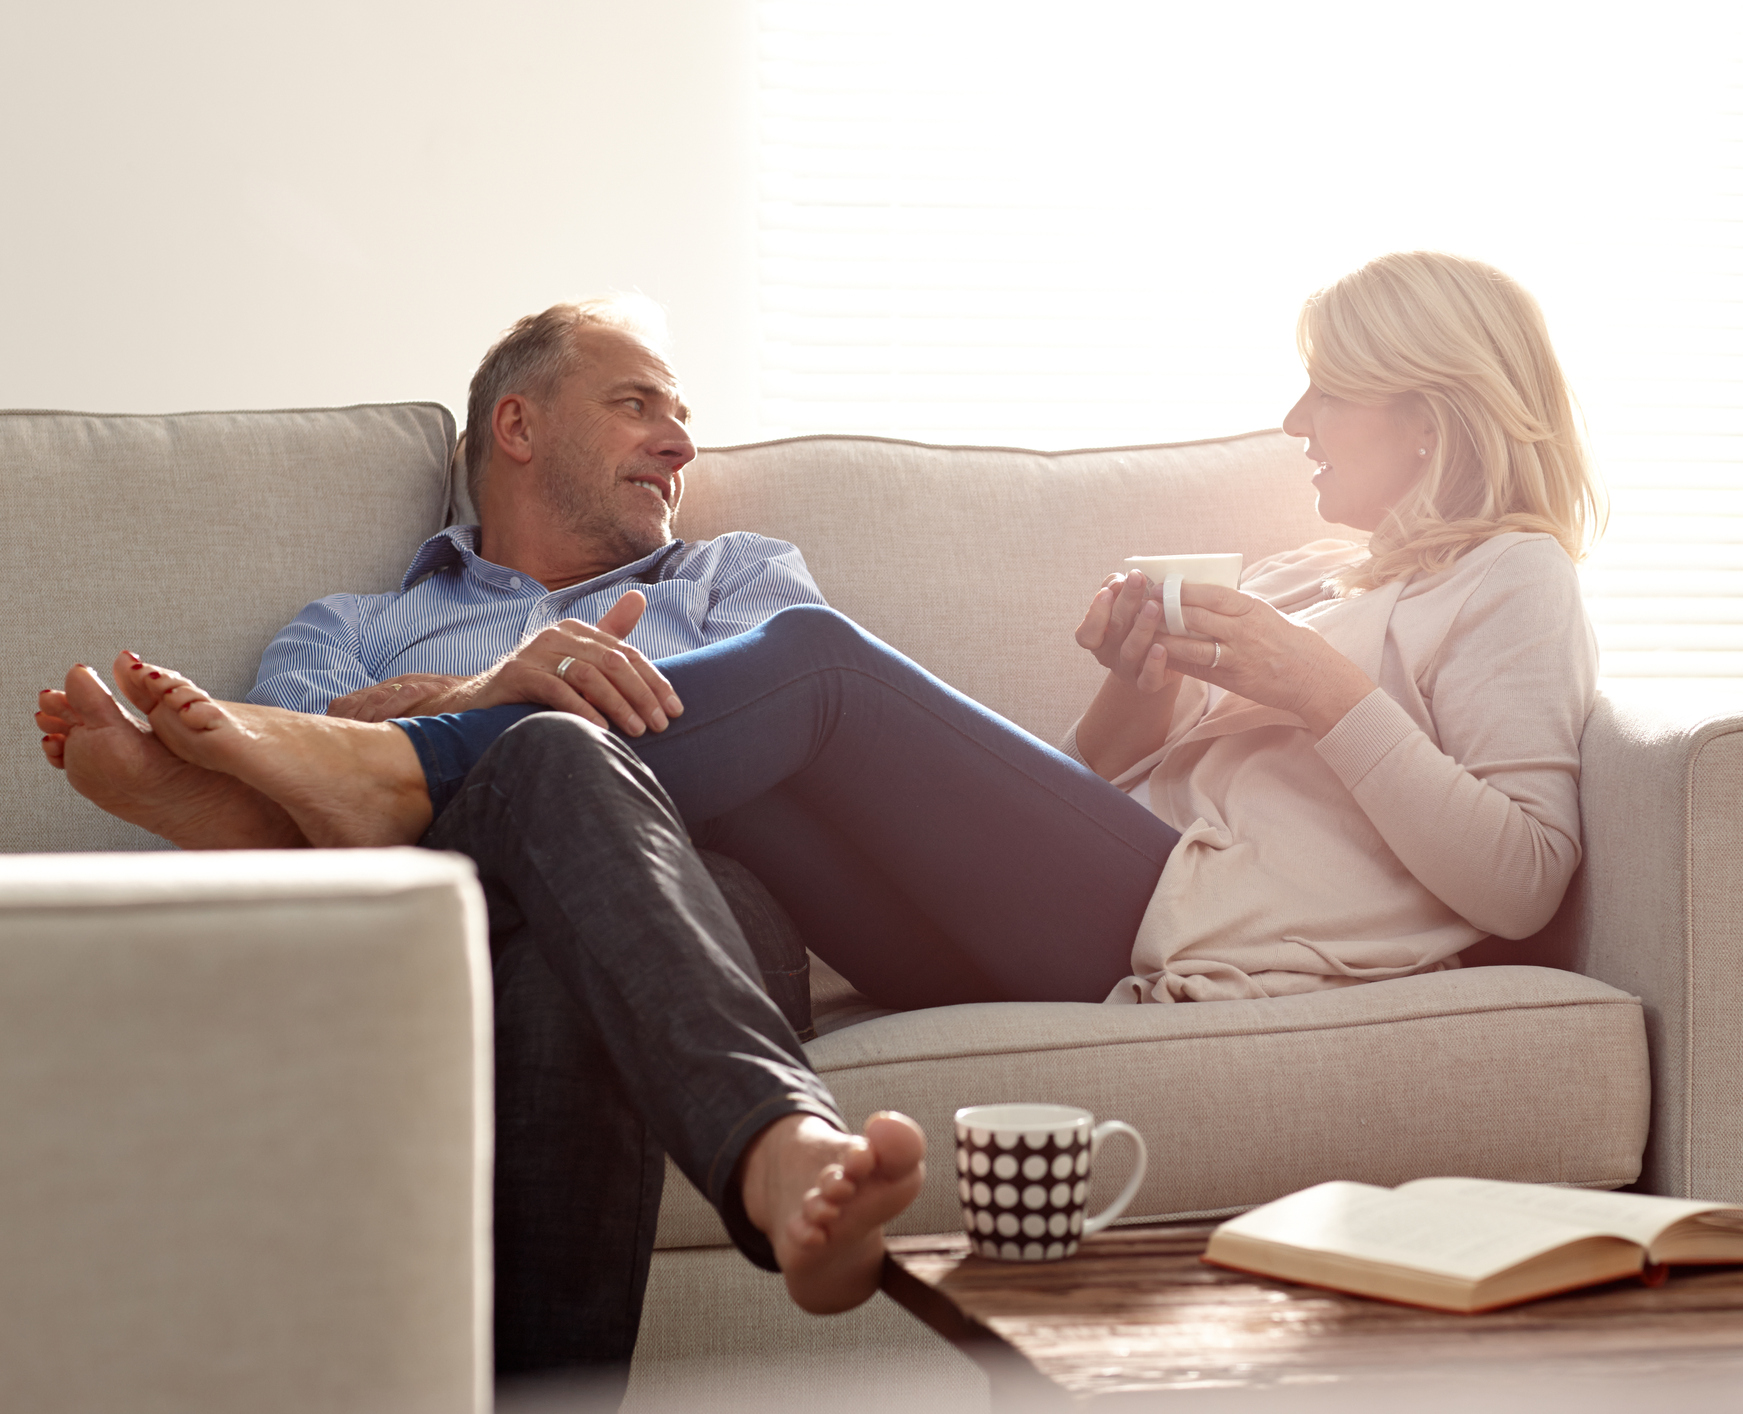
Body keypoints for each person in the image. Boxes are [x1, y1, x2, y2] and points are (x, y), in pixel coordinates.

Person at [38, 249, 1604, 1388]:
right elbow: (1114, 794)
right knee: (561, 765)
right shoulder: (1315, 580)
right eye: (635, 401)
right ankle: (744, 1131)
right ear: (513, 429)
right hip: (1098, 892)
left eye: (1328, 382)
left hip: (1153, 917)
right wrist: (1138, 695)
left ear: (1428, 403)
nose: (1295, 413)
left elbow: (1525, 874)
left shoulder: (1507, 578)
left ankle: (380, 800)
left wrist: (1313, 687)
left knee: (767, 674)